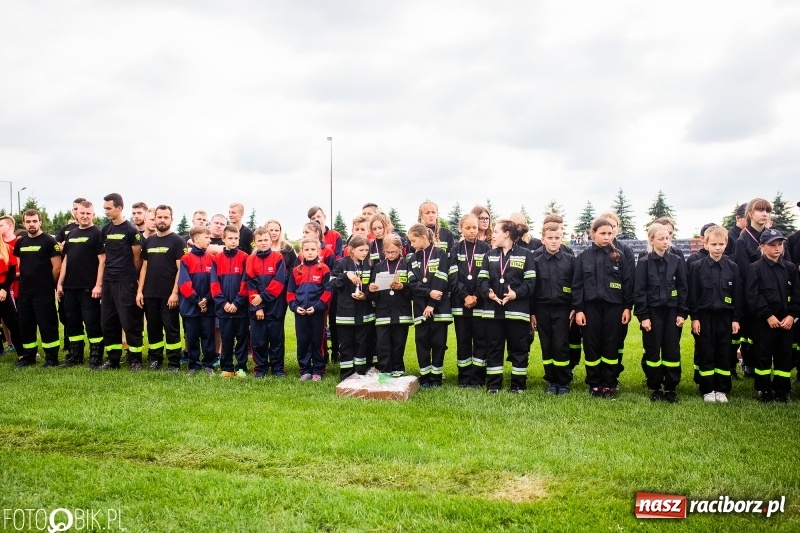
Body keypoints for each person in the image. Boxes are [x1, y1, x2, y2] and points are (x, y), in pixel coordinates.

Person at [572, 218, 633, 398]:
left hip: (614, 308)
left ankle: (609, 384)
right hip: (590, 308)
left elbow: (627, 283)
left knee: (611, 345)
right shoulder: (583, 256)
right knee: (591, 345)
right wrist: (579, 309)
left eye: (609, 233)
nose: (607, 237)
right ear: (593, 234)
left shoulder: (619, 256)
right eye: (602, 233)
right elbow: (577, 285)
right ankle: (594, 383)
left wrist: (627, 307)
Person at [477, 219, 537, 393]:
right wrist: (488, 292)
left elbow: (531, 282)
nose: (493, 235)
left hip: (517, 312)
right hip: (493, 311)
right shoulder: (489, 255)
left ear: (507, 234)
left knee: (519, 349)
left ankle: (518, 385)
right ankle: (494, 385)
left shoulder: (527, 254)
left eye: (496, 231)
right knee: (494, 348)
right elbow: (482, 280)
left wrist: (515, 294)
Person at [687, 225, 742, 403]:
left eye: (721, 244)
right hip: (704, 317)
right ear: (706, 244)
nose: (718, 248)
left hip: (725, 317)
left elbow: (737, 296)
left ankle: (722, 388)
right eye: (714, 244)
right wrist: (694, 318)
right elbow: (693, 295)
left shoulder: (732, 267)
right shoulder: (697, 267)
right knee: (706, 351)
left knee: (724, 351)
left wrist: (735, 319)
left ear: (726, 243)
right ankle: (707, 389)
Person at [634, 223, 688, 403]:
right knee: (652, 350)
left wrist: (682, 313)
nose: (666, 242)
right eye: (661, 239)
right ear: (651, 240)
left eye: (668, 238)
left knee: (672, 349)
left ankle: (671, 386)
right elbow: (639, 291)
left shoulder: (676, 261)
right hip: (652, 313)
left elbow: (683, 288)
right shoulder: (643, 263)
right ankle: (655, 386)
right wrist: (643, 316)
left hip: (672, 312)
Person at [745, 228, 800, 403]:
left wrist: (792, 315)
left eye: (780, 244)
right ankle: (764, 389)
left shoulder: (790, 268)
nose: (777, 248)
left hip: (786, 322)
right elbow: (753, 295)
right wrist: (768, 315)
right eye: (772, 245)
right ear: (762, 246)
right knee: (763, 356)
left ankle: (782, 390)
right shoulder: (755, 268)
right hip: (764, 322)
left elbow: (797, 294)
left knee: (784, 356)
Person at [136, 205, 187, 372]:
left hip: (168, 295)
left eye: (166, 217)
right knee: (153, 328)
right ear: (154, 219)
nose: (162, 220)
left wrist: (175, 293)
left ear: (171, 219)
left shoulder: (178, 241)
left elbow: (181, 269)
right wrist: (140, 291)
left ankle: (173, 362)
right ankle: (155, 358)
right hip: (150, 293)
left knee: (171, 328)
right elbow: (144, 267)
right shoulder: (149, 241)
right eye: (159, 217)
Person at [98, 193, 144, 371]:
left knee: (129, 321)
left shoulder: (131, 231)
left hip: (125, 282)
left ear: (119, 208)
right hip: (109, 281)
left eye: (109, 208)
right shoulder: (105, 230)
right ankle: (113, 359)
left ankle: (135, 360)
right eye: (105, 208)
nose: (106, 211)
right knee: (108, 321)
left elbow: (137, 259)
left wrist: (130, 276)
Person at [56, 200, 104, 368]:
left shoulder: (98, 233)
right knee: (72, 322)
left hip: (89, 288)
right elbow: (66, 259)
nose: (84, 216)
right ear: (76, 214)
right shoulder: (71, 234)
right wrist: (60, 284)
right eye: (82, 213)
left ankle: (96, 356)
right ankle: (75, 356)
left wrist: (98, 285)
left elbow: (102, 261)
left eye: (88, 213)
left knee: (92, 322)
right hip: (70, 287)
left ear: (93, 215)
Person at [13, 209, 62, 368]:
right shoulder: (20, 242)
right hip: (25, 291)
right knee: (26, 325)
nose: (31, 224)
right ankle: (29, 357)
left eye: (34, 221)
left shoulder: (49, 241)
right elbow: (20, 265)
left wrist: (48, 284)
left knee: (47, 325)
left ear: (40, 222)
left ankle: (51, 358)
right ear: (24, 223)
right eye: (28, 221)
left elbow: (57, 267)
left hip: (44, 291)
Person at [531, 222, 576, 395]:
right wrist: (532, 312)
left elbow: (577, 285)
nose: (554, 241)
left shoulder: (570, 260)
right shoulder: (535, 261)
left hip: (563, 309)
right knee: (547, 345)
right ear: (543, 240)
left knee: (561, 344)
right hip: (542, 309)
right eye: (550, 238)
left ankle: (563, 381)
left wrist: (575, 307)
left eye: (557, 238)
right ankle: (551, 380)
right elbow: (532, 290)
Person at [407, 224, 452, 388]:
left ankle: (436, 378)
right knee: (422, 342)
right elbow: (413, 283)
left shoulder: (441, 254)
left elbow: (442, 278)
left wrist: (432, 303)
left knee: (439, 343)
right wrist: (427, 294)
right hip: (420, 307)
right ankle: (425, 376)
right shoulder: (412, 259)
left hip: (439, 307)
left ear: (423, 238)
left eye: (413, 240)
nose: (411, 245)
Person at [449, 213, 490, 387]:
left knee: (481, 340)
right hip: (461, 304)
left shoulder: (486, 248)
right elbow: (452, 277)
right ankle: (464, 378)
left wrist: (477, 296)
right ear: (461, 229)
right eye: (468, 228)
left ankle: (478, 378)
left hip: (480, 303)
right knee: (463, 341)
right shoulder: (455, 250)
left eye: (474, 227)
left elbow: (488, 276)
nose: (472, 231)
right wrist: (465, 295)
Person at [733, 198, 773, 378]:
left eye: (767, 211)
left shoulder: (773, 238)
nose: (765, 214)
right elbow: (745, 270)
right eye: (760, 210)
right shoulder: (742, 241)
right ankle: (748, 362)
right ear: (750, 214)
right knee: (750, 330)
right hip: (751, 292)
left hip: (771, 294)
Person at [367, 234, 412, 377]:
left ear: (400, 249)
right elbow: (373, 290)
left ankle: (398, 367)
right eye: (387, 252)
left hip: (401, 311)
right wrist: (371, 290)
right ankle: (385, 368)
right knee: (383, 342)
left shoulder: (407, 265)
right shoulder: (379, 266)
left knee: (398, 342)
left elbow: (413, 289)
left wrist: (403, 287)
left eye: (394, 252)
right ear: (383, 251)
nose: (390, 255)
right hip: (383, 311)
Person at [287, 238, 332, 381]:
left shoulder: (324, 269)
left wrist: (318, 306)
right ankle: (305, 369)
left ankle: (318, 369)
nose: (310, 252)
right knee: (303, 340)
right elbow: (290, 292)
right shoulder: (296, 271)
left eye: (313, 249)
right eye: (307, 249)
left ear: (318, 251)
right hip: (301, 312)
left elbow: (328, 291)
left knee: (317, 340)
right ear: (301, 252)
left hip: (317, 312)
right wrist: (294, 307)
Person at [330, 235, 373, 380]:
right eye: (361, 250)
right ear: (351, 250)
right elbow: (332, 284)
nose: (364, 253)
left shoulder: (368, 265)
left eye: (367, 250)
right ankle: (347, 374)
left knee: (361, 342)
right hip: (345, 313)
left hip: (364, 312)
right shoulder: (341, 264)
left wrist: (365, 295)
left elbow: (372, 285)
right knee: (346, 343)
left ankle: (360, 372)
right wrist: (345, 275)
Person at [245, 226, 286, 378]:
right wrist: (258, 307)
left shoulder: (278, 258)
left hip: (275, 307)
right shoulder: (250, 260)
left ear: (271, 240)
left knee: (276, 340)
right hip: (257, 309)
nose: (263, 243)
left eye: (266, 240)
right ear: (254, 242)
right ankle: (260, 368)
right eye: (259, 240)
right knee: (258, 341)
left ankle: (278, 369)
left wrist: (263, 297)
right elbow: (250, 283)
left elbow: (279, 281)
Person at [211, 225, 250, 378]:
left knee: (241, 338)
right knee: (226, 338)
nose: (233, 241)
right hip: (224, 308)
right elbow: (214, 283)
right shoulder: (217, 259)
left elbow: (246, 282)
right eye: (230, 238)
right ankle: (227, 367)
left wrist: (237, 303)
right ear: (223, 239)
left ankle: (241, 367)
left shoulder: (245, 257)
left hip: (240, 308)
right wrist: (224, 303)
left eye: (236, 238)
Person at [179, 225, 217, 376]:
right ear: (196, 239)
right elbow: (184, 283)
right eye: (206, 237)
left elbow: (215, 282)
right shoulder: (186, 259)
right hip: (191, 306)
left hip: (208, 305)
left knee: (208, 335)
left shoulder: (212, 259)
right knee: (192, 336)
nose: (209, 240)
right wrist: (197, 300)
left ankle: (209, 364)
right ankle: (194, 365)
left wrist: (207, 299)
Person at [266, 219, 297, 367]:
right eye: (270, 230)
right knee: (263, 325)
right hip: (263, 292)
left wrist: (281, 278)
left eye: (276, 230)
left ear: (280, 231)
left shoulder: (287, 248)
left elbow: (294, 269)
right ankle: (262, 360)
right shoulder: (260, 247)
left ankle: (278, 362)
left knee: (277, 325)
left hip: (281, 291)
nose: (273, 233)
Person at [0, 238, 21, 365]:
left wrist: (4, 289)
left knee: (13, 323)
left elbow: (12, 273)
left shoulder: (7, 248)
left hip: (3, 291)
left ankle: (22, 354)